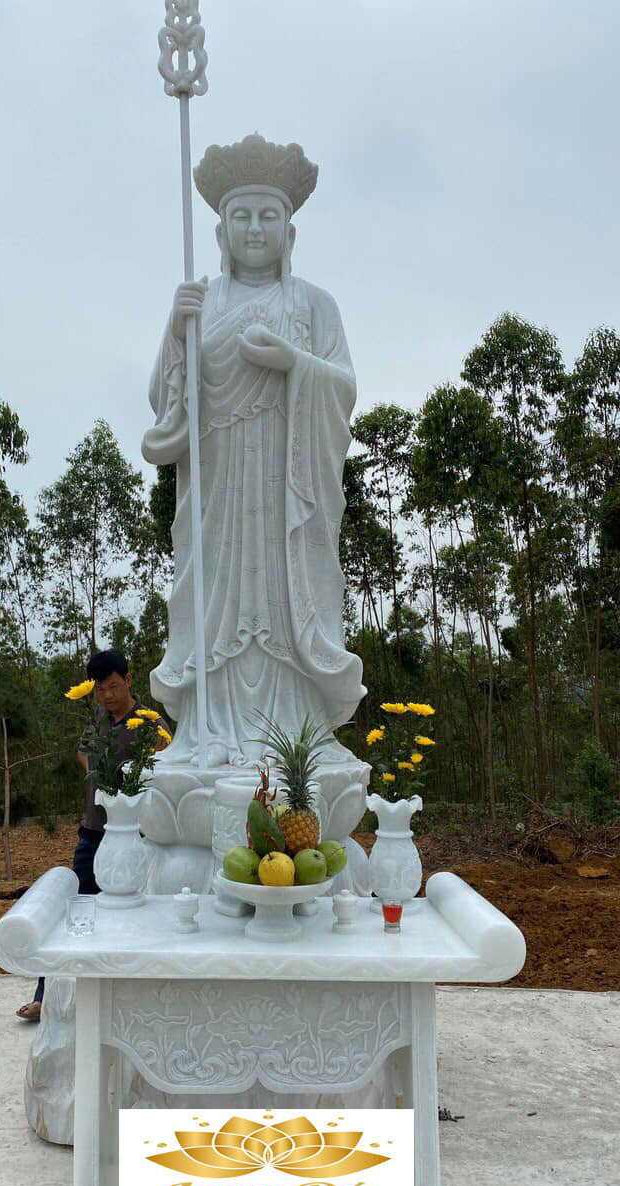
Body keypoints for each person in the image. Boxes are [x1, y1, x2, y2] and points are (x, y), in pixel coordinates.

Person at [141, 134, 366, 769]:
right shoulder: (202, 302)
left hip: (286, 483)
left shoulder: (313, 304)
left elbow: (344, 386)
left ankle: (297, 738)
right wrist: (176, 329)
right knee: (217, 599)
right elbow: (166, 402)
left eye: (268, 215)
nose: (255, 229)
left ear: (289, 232)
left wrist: (295, 363)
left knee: (285, 599)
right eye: (241, 216)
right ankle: (208, 729)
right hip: (219, 486)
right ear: (221, 233)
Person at [15, 649, 167, 1021]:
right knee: (76, 909)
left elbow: (168, 763)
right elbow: (83, 752)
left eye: (113, 686)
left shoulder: (150, 723)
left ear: (128, 680)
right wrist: (98, 776)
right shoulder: (96, 717)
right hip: (94, 832)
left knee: (135, 917)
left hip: (137, 837)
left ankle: (128, 1001)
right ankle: (46, 996)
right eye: (100, 689)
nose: (107, 695)